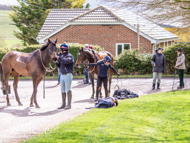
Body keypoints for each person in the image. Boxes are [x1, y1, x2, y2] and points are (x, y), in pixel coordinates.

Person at [55, 43, 74, 109]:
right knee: (62, 90)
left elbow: (66, 61)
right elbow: (58, 65)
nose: (60, 50)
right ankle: (63, 104)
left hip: (68, 75)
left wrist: (59, 57)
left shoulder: (70, 56)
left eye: (61, 49)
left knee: (68, 89)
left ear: (63, 49)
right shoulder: (61, 56)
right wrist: (55, 62)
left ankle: (69, 105)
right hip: (62, 75)